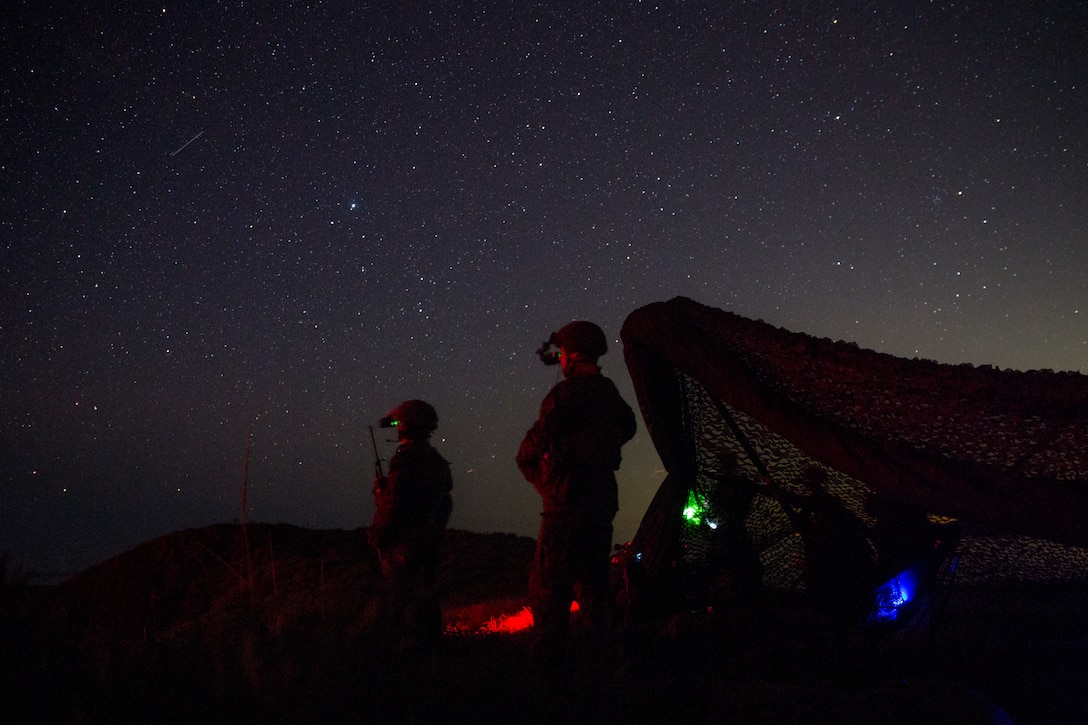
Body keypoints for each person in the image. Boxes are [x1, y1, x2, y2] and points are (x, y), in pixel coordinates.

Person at [517, 320, 637, 680]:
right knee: (595, 593)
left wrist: (549, 482)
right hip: (600, 507)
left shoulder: (564, 396)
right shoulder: (609, 392)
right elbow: (627, 427)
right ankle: (601, 673)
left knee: (549, 595)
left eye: (563, 353)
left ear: (571, 354)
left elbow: (528, 452)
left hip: (565, 511)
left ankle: (550, 685)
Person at [368, 399, 453, 652]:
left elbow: (393, 504)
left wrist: (377, 535)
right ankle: (431, 651)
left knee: (398, 600)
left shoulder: (406, 460)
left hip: (405, 544)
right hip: (430, 540)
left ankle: (401, 657)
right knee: (427, 598)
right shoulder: (436, 460)